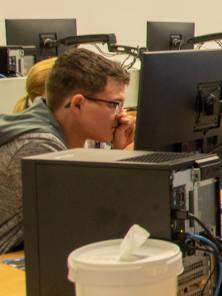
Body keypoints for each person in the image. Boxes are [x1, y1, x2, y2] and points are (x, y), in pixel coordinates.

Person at [0, 48, 136, 253]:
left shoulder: (48, 132)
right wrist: (123, 158)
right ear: (77, 104)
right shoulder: (39, 147)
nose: (122, 115)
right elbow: (91, 220)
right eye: (115, 105)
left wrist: (117, 151)